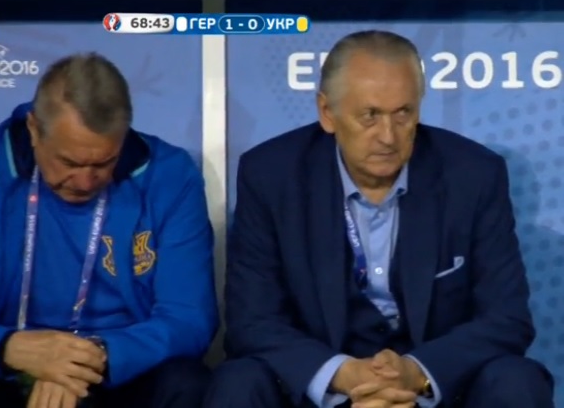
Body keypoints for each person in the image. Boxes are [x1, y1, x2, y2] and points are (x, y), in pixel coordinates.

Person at [203, 30, 554, 408]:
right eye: (370, 116)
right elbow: (252, 321)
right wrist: (343, 375)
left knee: (517, 379)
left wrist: (416, 373)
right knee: (238, 382)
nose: (388, 137)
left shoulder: (473, 174)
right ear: (327, 112)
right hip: (324, 388)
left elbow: (506, 318)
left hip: (432, 388)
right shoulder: (272, 175)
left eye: (403, 113)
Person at [0, 53, 219, 408]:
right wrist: (5, 347)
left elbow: (189, 318)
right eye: (69, 162)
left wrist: (88, 359)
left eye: (104, 162)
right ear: (34, 130)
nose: (85, 181)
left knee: (187, 383)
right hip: (10, 362)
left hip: (115, 364)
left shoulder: (170, 176)